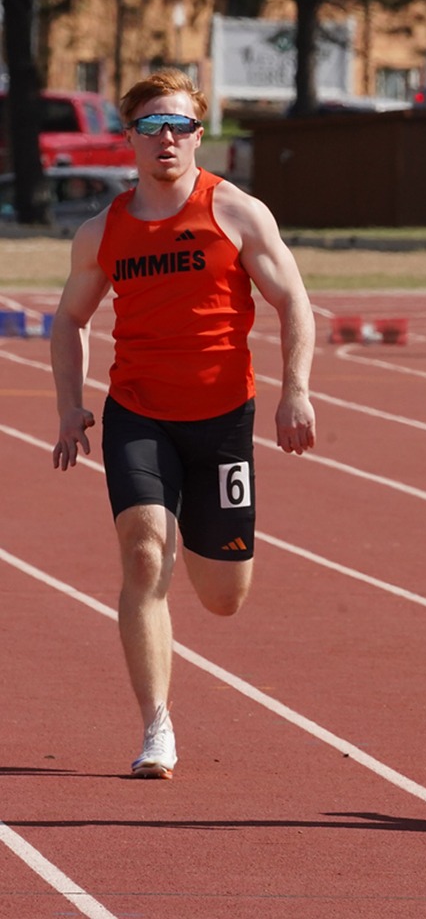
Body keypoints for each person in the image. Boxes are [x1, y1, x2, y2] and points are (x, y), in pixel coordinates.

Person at [49, 69, 317, 778]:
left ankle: (205, 548)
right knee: (142, 555)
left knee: (224, 597)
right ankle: (156, 726)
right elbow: (70, 317)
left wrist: (297, 392)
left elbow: (293, 301)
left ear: (200, 136)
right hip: (138, 412)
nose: (165, 139)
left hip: (224, 420)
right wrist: (70, 403)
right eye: (150, 127)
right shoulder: (102, 230)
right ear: (129, 138)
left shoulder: (236, 212)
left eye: (179, 126)